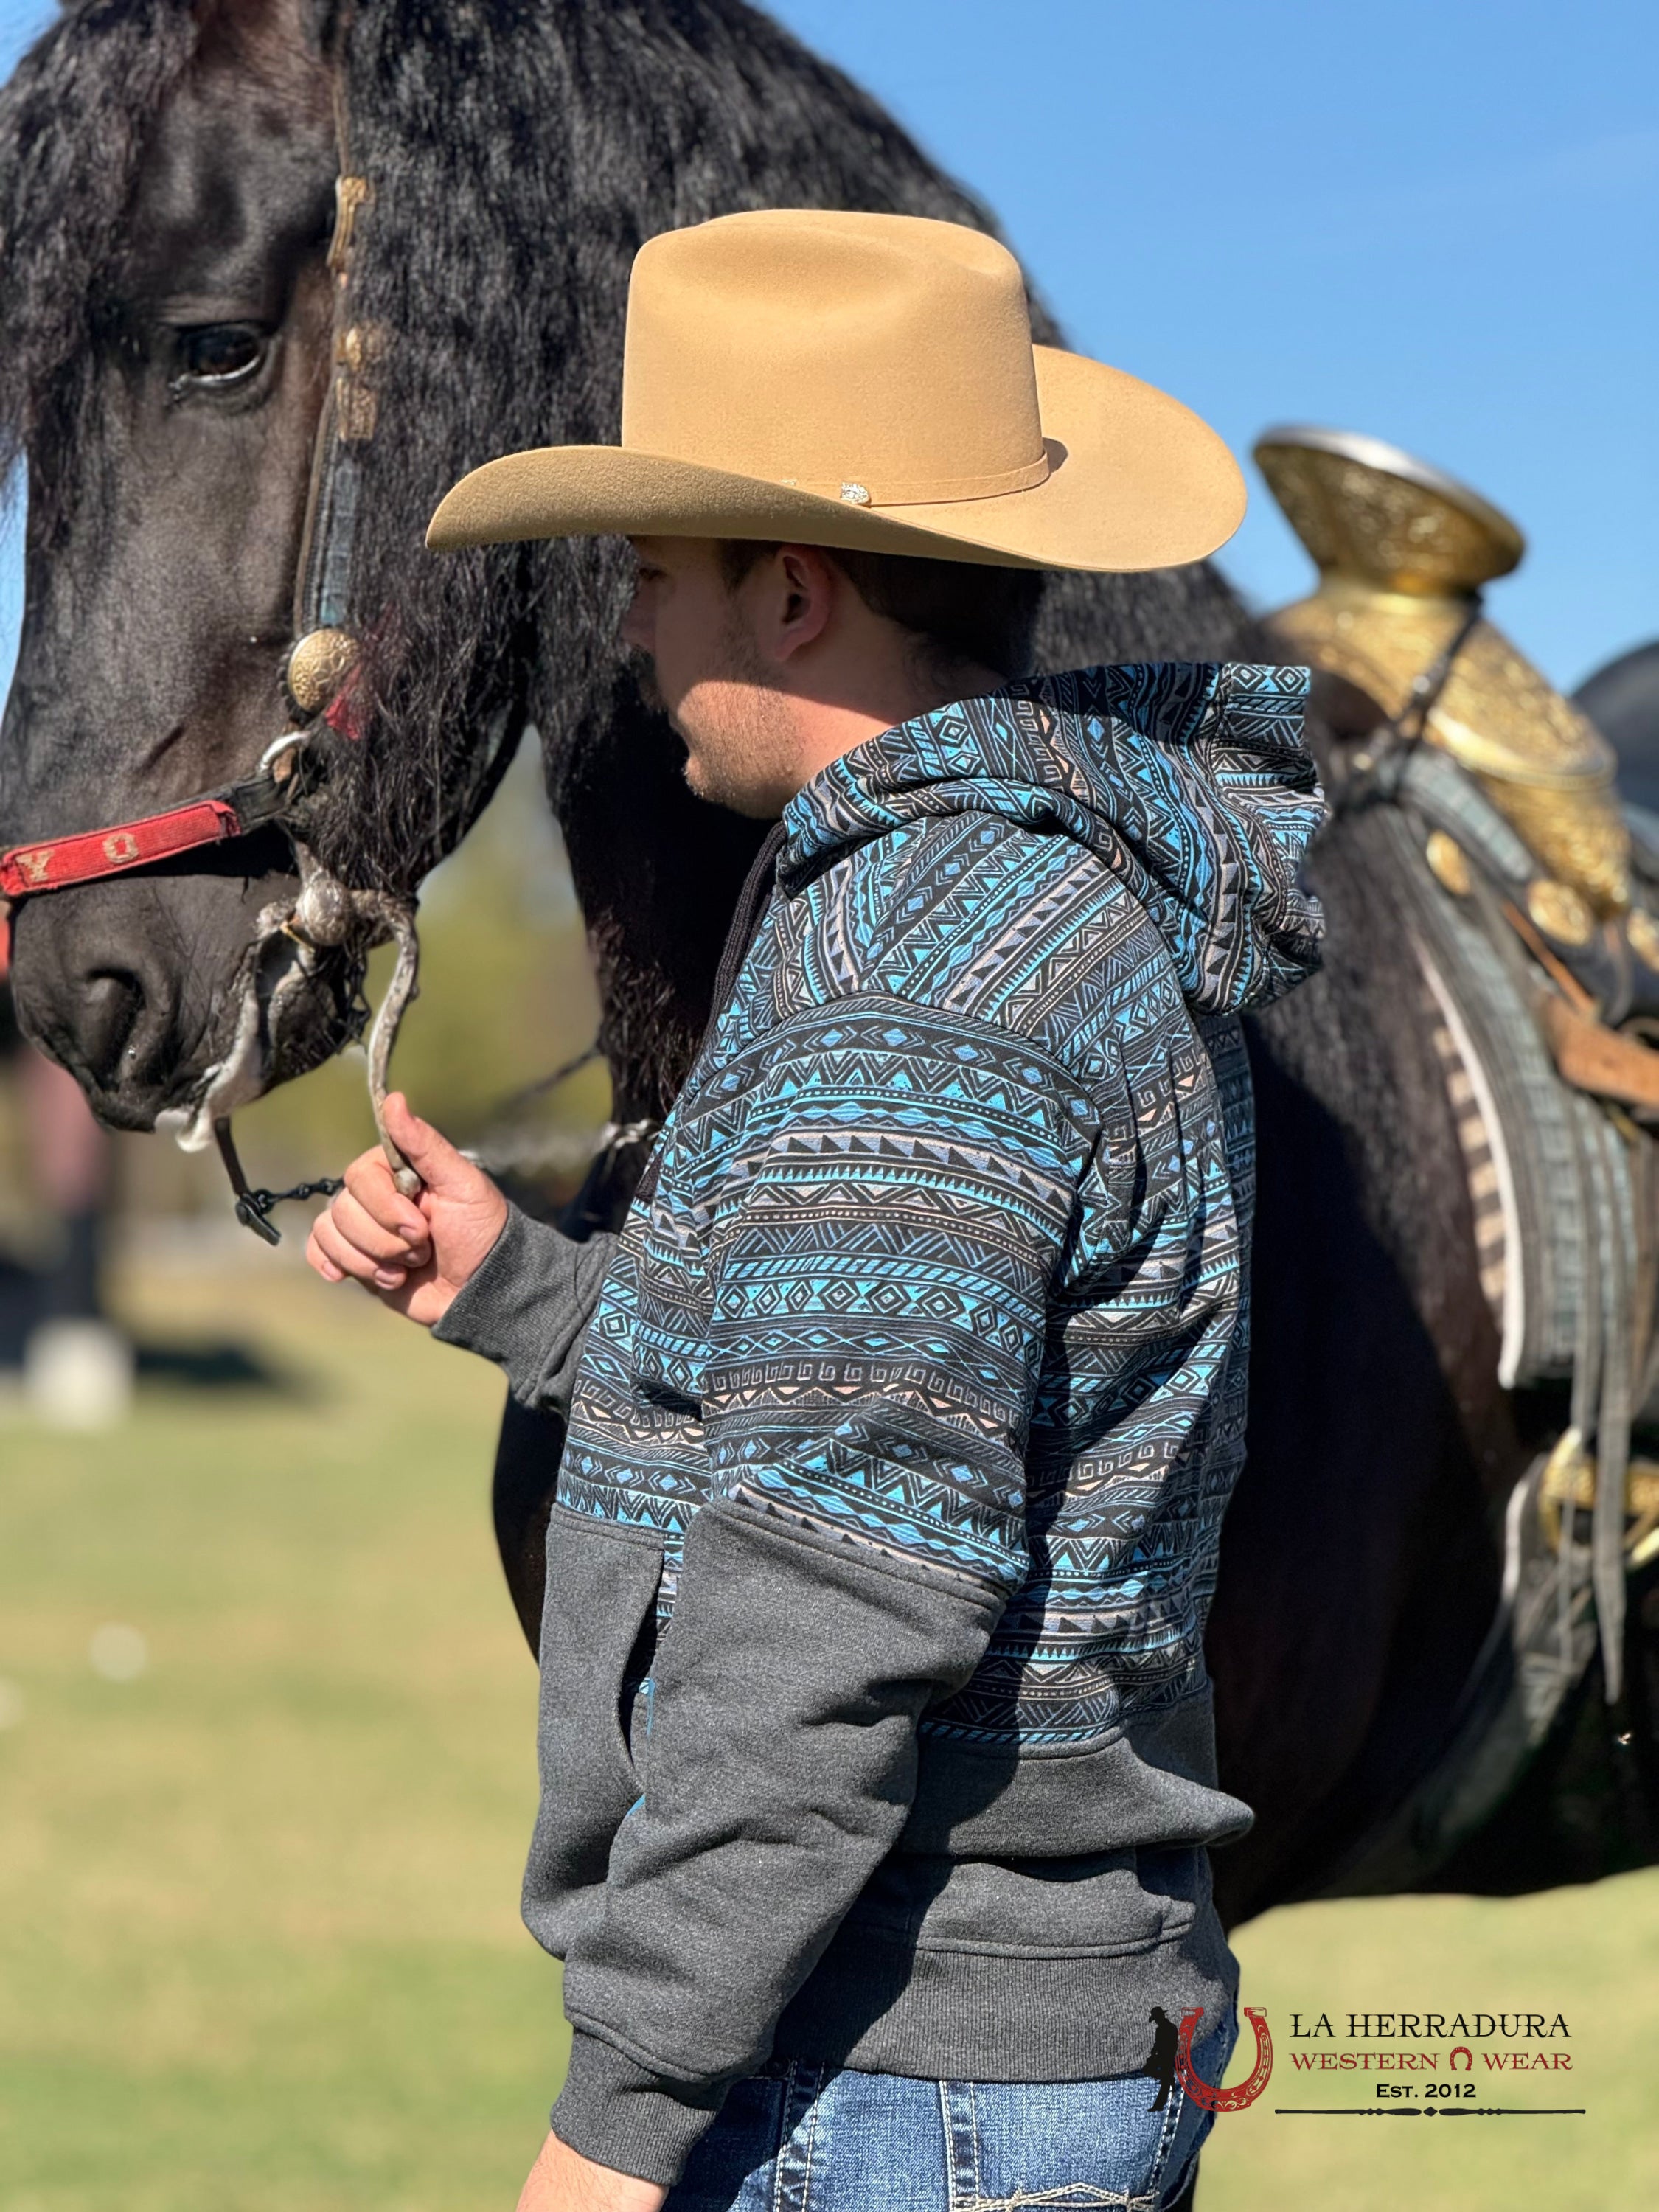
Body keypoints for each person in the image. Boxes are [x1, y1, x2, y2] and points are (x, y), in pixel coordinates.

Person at [307, 210, 1324, 2212]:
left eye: (651, 574)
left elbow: (829, 1611)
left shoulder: (918, 982)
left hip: (888, 2083)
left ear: (789, 595)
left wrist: (613, 2129)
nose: (629, 637)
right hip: (954, 2063)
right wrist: (529, 1295)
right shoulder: (1003, 899)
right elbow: (880, 1413)